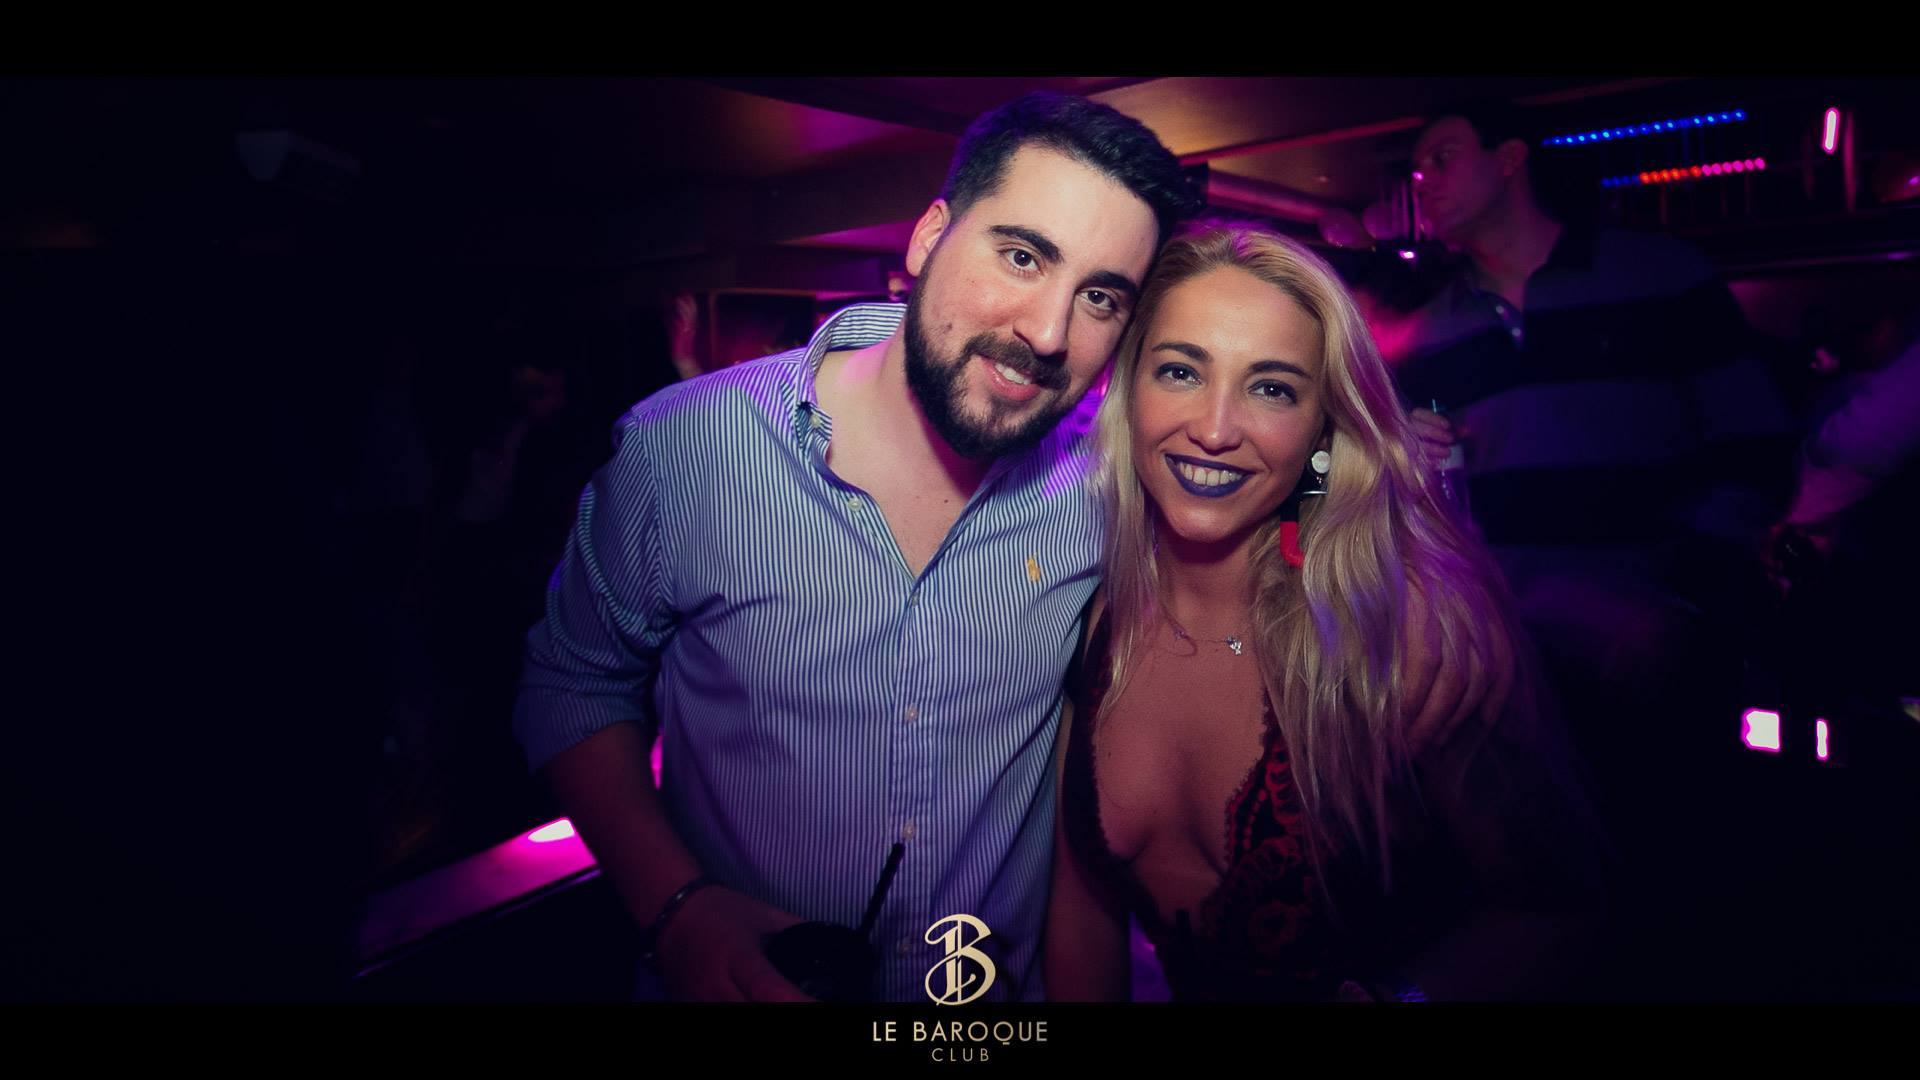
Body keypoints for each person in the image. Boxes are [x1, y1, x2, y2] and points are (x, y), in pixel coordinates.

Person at [511, 92, 1201, 1002]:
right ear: (928, 238)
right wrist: (677, 908)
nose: (1046, 332)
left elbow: (1276, 488)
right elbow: (571, 683)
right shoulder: (687, 450)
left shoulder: (1103, 486)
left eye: (1100, 297)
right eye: (1022, 256)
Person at [1044, 225, 1607, 1002]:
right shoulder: (1082, 617)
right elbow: (1081, 914)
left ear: (1323, 426)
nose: (1214, 429)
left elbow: (1565, 906)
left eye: (1272, 388)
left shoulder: (1402, 629)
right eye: (1180, 371)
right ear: (1128, 390)